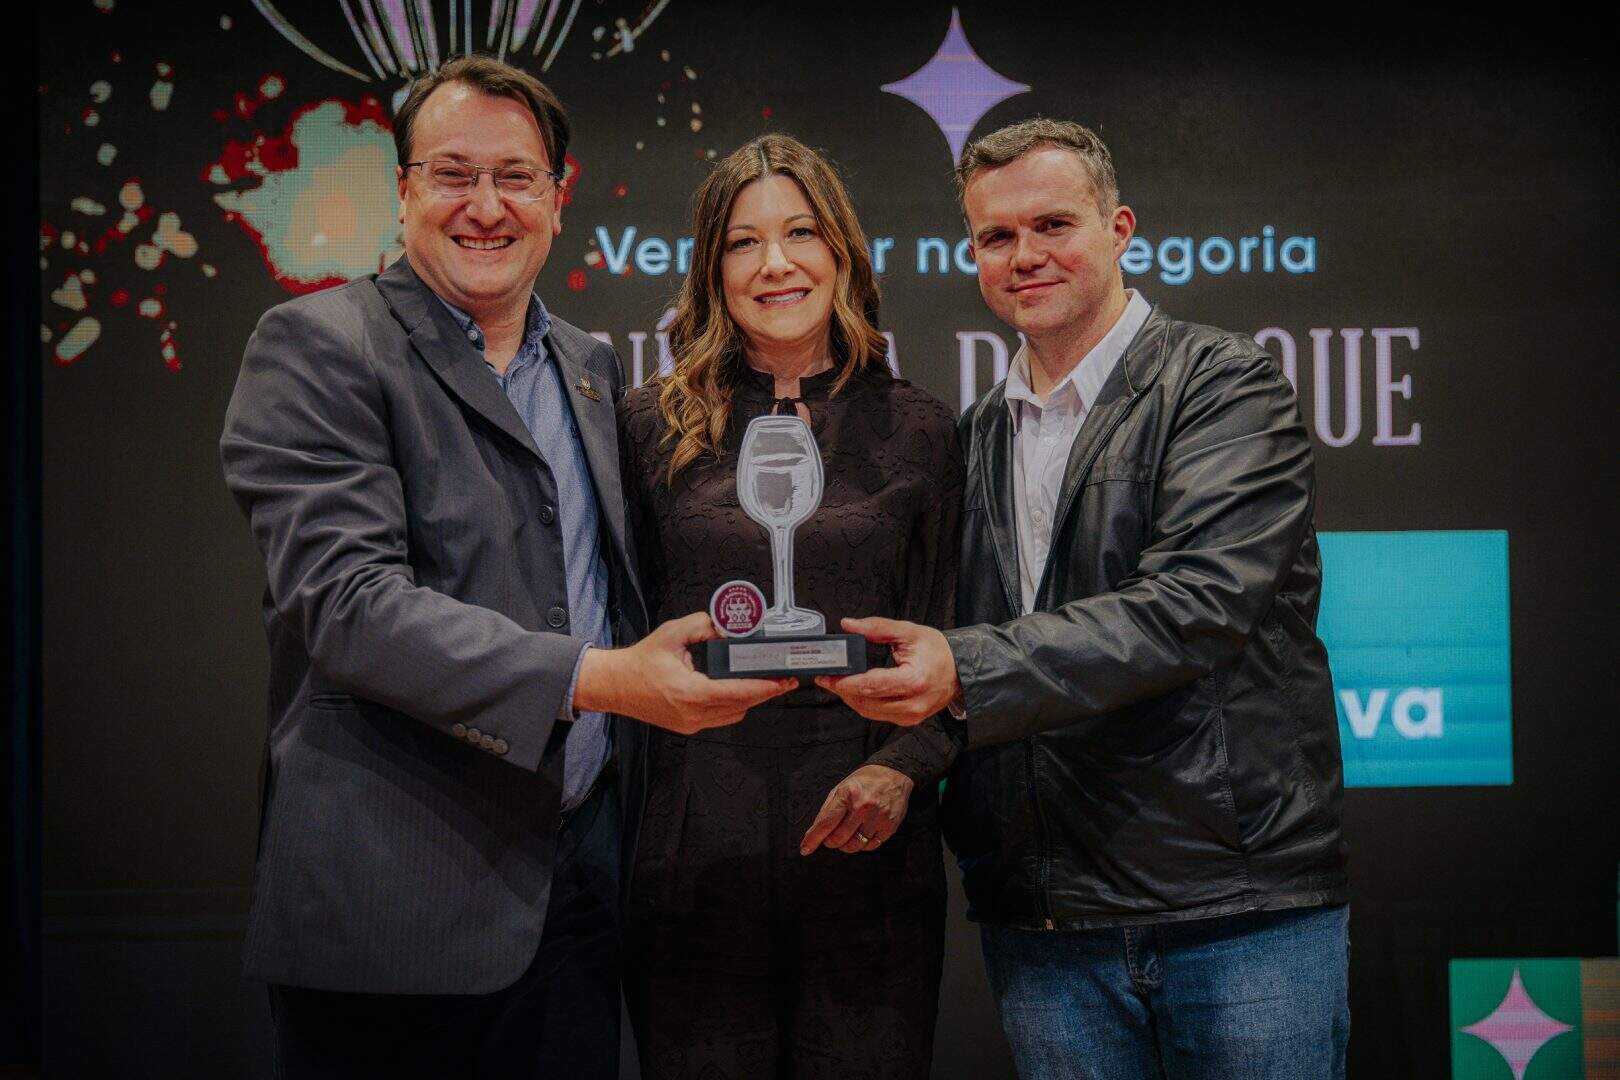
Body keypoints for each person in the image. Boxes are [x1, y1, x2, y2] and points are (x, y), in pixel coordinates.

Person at [220, 56, 792, 1079]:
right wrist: (600, 678)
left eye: (516, 177)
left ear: (557, 200)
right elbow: (350, 608)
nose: (485, 206)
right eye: (452, 174)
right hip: (395, 909)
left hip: (578, 902)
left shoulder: (588, 365)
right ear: (403, 191)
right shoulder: (319, 345)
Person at [821, 118, 1351, 1079]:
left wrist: (961, 667)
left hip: (1233, 909)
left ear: (1120, 229)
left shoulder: (1223, 383)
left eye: (1052, 224)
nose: (1024, 255)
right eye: (996, 236)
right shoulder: (975, 434)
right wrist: (904, 761)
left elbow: (1194, 606)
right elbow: (963, 637)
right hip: (1046, 922)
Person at [617, 134, 963, 1080]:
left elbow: (959, 634)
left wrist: (901, 771)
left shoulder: (922, 429)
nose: (775, 263)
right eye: (743, 242)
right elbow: (614, 631)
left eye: (801, 232)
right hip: (694, 852)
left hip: (869, 845)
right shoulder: (648, 425)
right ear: (711, 268)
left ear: (841, 252)